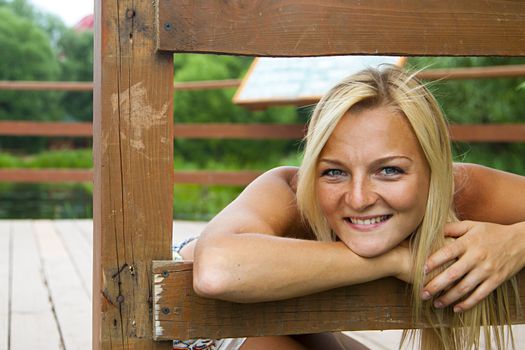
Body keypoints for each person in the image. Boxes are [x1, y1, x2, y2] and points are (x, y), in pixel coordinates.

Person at [176, 66, 525, 350]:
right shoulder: (290, 192)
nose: (358, 198)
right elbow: (216, 271)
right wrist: (398, 259)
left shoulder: (461, 189)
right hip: (200, 325)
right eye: (334, 172)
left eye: (389, 170)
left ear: (435, 171)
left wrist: (514, 242)